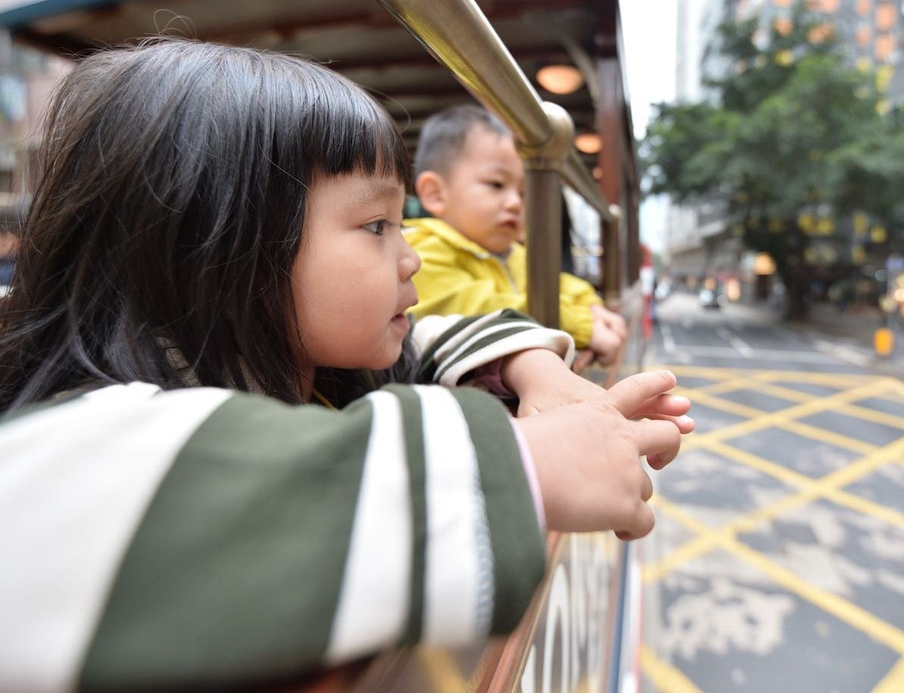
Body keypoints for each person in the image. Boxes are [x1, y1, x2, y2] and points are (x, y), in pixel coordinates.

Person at [0, 38, 694, 692]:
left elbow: (428, 337)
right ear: (218, 253)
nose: (411, 254)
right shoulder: (84, 428)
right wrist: (521, 468)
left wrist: (530, 370)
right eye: (375, 227)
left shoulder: (309, 362)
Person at [405, 105, 628, 367]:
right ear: (435, 193)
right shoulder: (420, 253)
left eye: (523, 192)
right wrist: (582, 325)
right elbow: (482, 309)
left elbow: (558, 284)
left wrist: (591, 306)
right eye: (496, 184)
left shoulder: (514, 253)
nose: (515, 203)